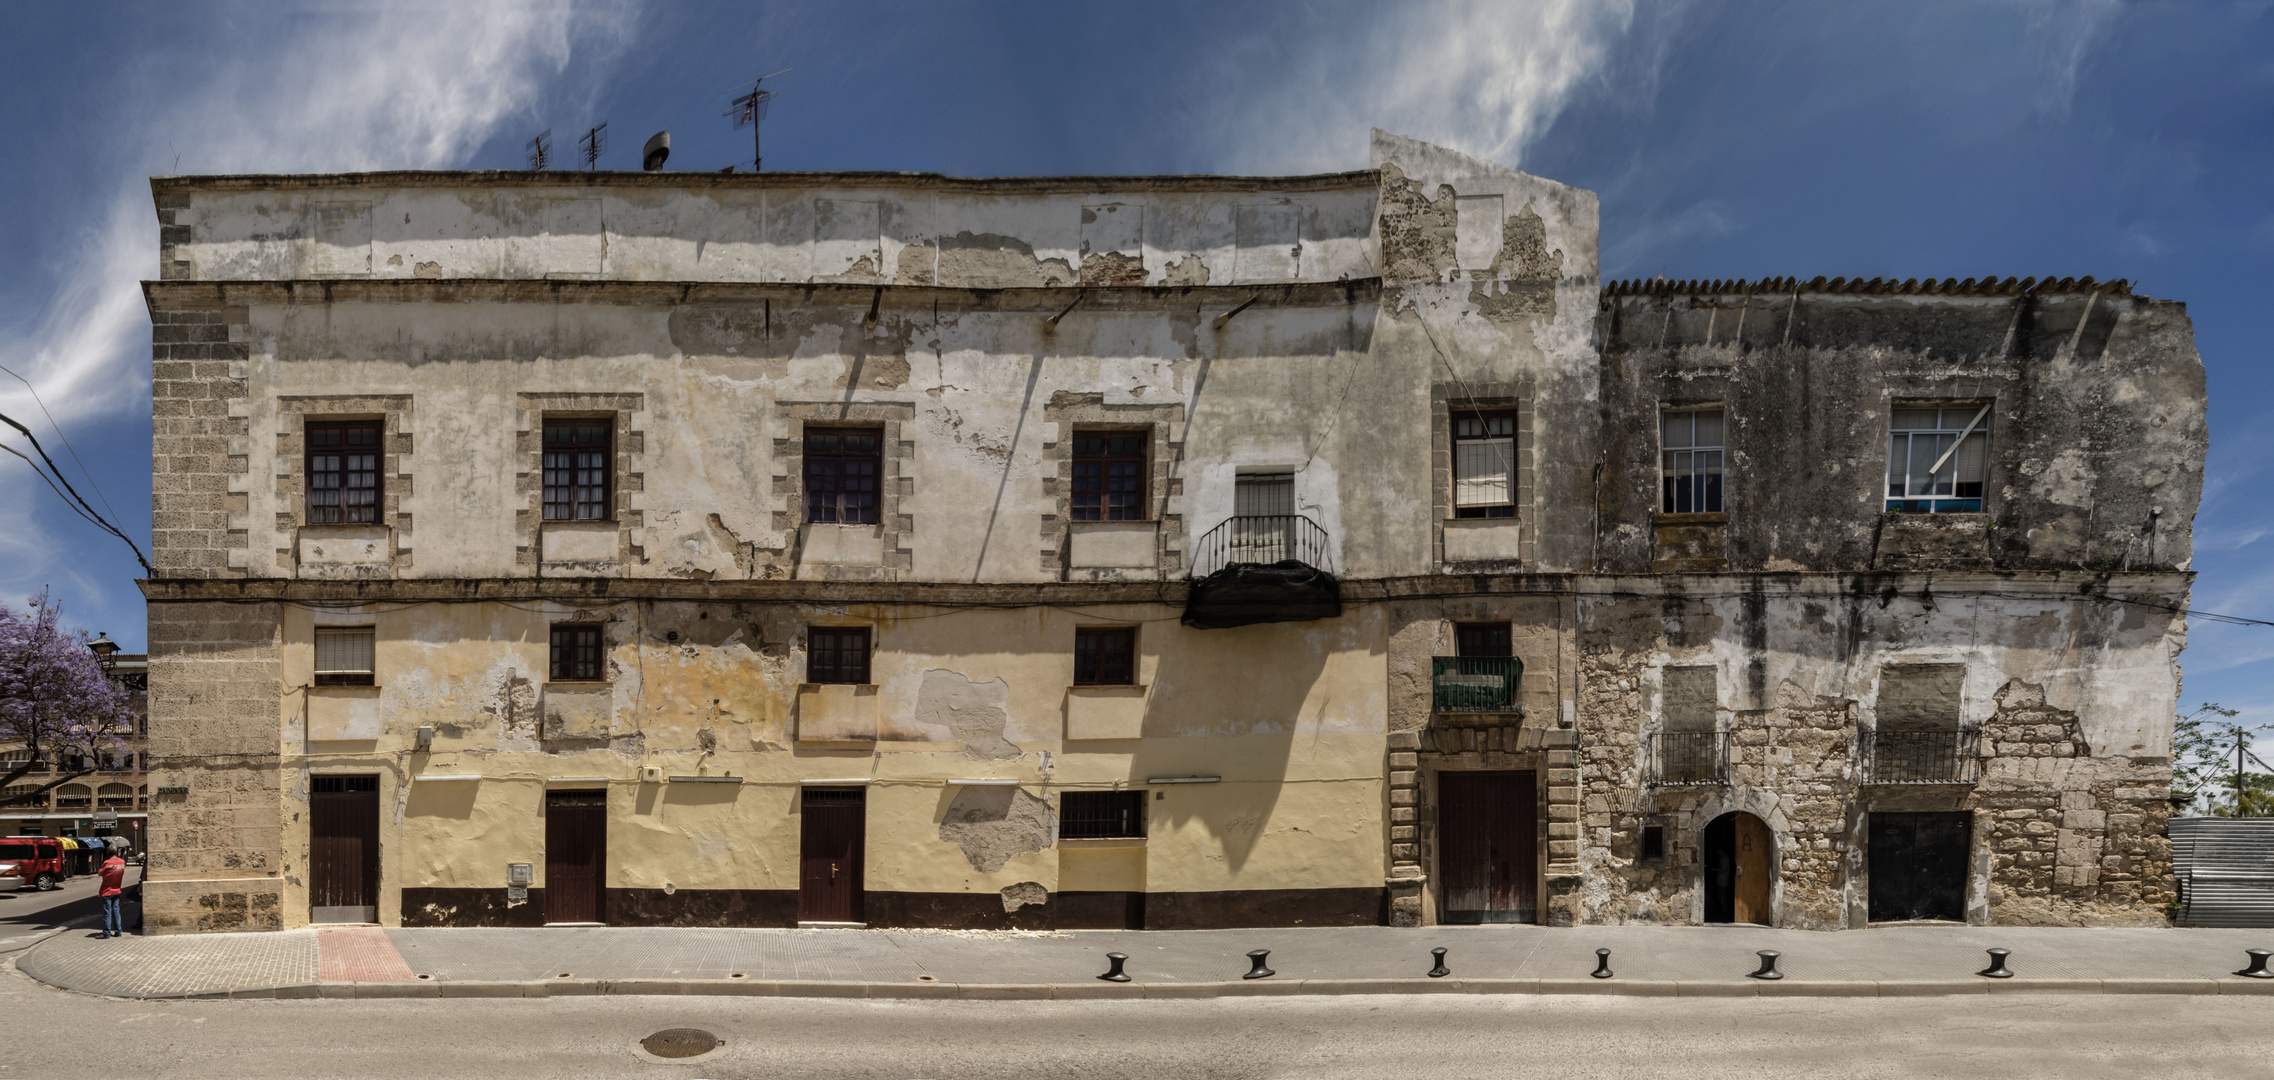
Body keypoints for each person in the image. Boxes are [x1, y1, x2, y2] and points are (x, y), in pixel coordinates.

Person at [97, 851, 127, 938]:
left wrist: (106, 868)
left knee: (107, 912)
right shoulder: (122, 862)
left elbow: (100, 873)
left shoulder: (107, 862)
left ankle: (106, 933)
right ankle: (118, 931)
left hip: (107, 891)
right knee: (116, 911)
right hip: (117, 889)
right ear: (116, 852)